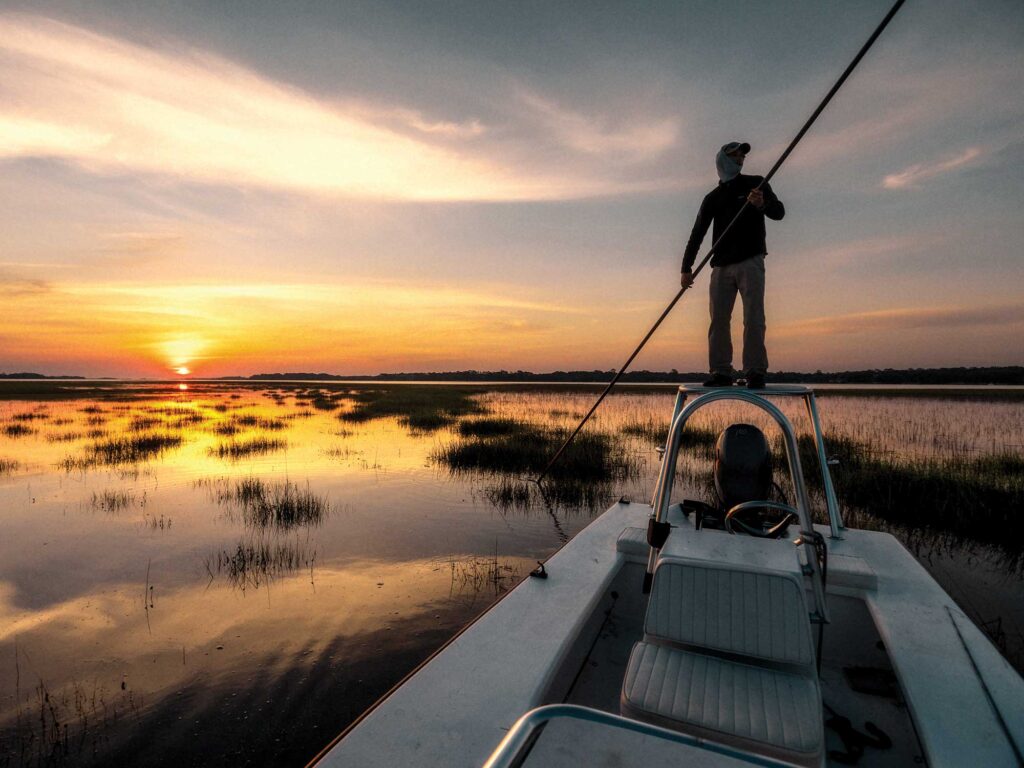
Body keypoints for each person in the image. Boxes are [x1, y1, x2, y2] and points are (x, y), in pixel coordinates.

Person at [681, 141, 784, 389]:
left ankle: (755, 372)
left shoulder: (756, 183)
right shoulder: (712, 198)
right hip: (720, 266)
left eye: (742, 156)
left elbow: (779, 212)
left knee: (754, 317)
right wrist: (686, 268)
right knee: (718, 320)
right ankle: (721, 372)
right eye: (735, 155)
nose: (740, 159)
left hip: (751, 260)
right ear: (722, 159)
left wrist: (762, 204)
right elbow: (698, 233)